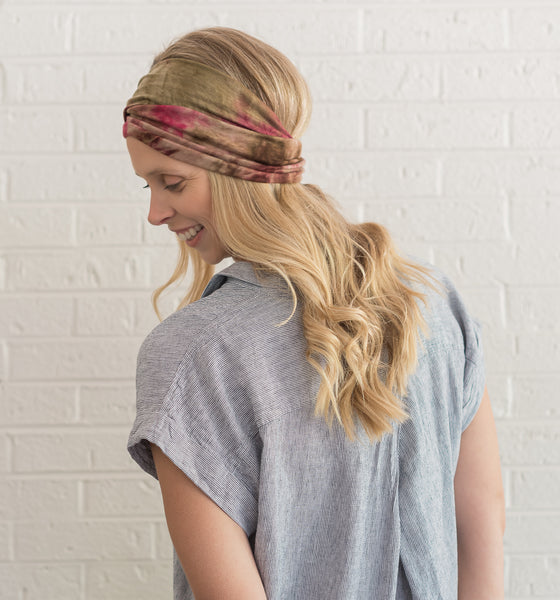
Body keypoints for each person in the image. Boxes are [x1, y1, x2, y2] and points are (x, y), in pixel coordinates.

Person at [124, 27, 505, 600]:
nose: (155, 212)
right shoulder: (432, 299)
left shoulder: (191, 352)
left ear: (238, 171)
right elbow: (483, 532)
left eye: (171, 182)